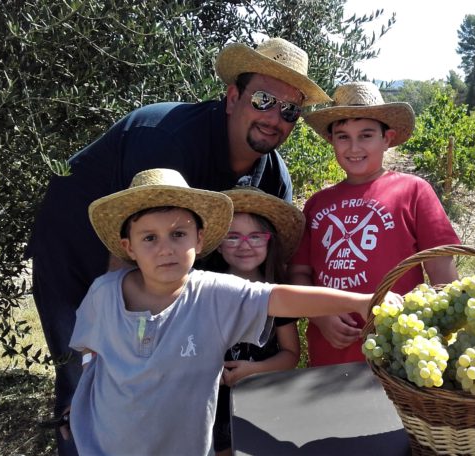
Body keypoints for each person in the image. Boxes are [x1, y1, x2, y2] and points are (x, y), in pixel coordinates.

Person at [25, 37, 330, 454]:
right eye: (262, 99)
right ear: (232, 96)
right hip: (76, 253)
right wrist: (128, 343)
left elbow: (271, 263)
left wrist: (323, 314)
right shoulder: (169, 140)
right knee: (95, 379)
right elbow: (128, 243)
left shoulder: (274, 176)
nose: (275, 117)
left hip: (156, 262)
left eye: (290, 110)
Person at [68, 168, 394, 454]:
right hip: (102, 445)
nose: (165, 248)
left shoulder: (213, 295)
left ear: (200, 238)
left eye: (178, 234)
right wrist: (78, 402)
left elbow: (281, 298)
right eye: (149, 237)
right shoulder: (104, 293)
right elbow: (89, 352)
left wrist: (359, 301)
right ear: (129, 247)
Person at [289, 81, 461, 367]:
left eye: (366, 135)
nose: (354, 147)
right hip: (330, 358)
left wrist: (449, 336)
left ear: (387, 138)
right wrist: (320, 317)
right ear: (331, 140)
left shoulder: (413, 191)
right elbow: (299, 274)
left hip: (399, 356)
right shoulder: (317, 204)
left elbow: (443, 274)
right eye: (343, 136)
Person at [209, 187, 305, 455]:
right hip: (213, 402)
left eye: (255, 236)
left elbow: (290, 354)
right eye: (233, 237)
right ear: (218, 243)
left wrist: (253, 370)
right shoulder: (205, 292)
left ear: (269, 241)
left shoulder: (277, 295)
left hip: (265, 396)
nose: (245, 245)